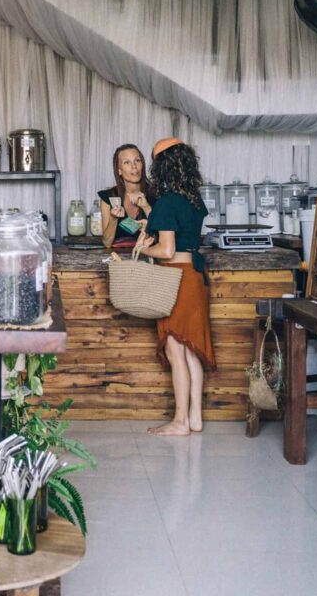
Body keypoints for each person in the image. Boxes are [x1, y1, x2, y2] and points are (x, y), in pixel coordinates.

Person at [135, 138, 213, 436]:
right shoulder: (193, 199)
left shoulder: (167, 201)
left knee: (175, 349)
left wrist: (143, 250)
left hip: (176, 278)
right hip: (195, 276)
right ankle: (195, 417)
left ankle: (180, 421)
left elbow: (166, 251)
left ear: (163, 166)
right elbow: (181, 239)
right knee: (192, 350)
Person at [99, 144, 155, 248]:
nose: (134, 166)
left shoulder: (156, 195)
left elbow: (163, 238)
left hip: (149, 260)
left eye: (137, 160)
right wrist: (113, 218)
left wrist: (146, 207)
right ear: (119, 170)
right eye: (127, 162)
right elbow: (107, 243)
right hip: (119, 261)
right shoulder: (109, 197)